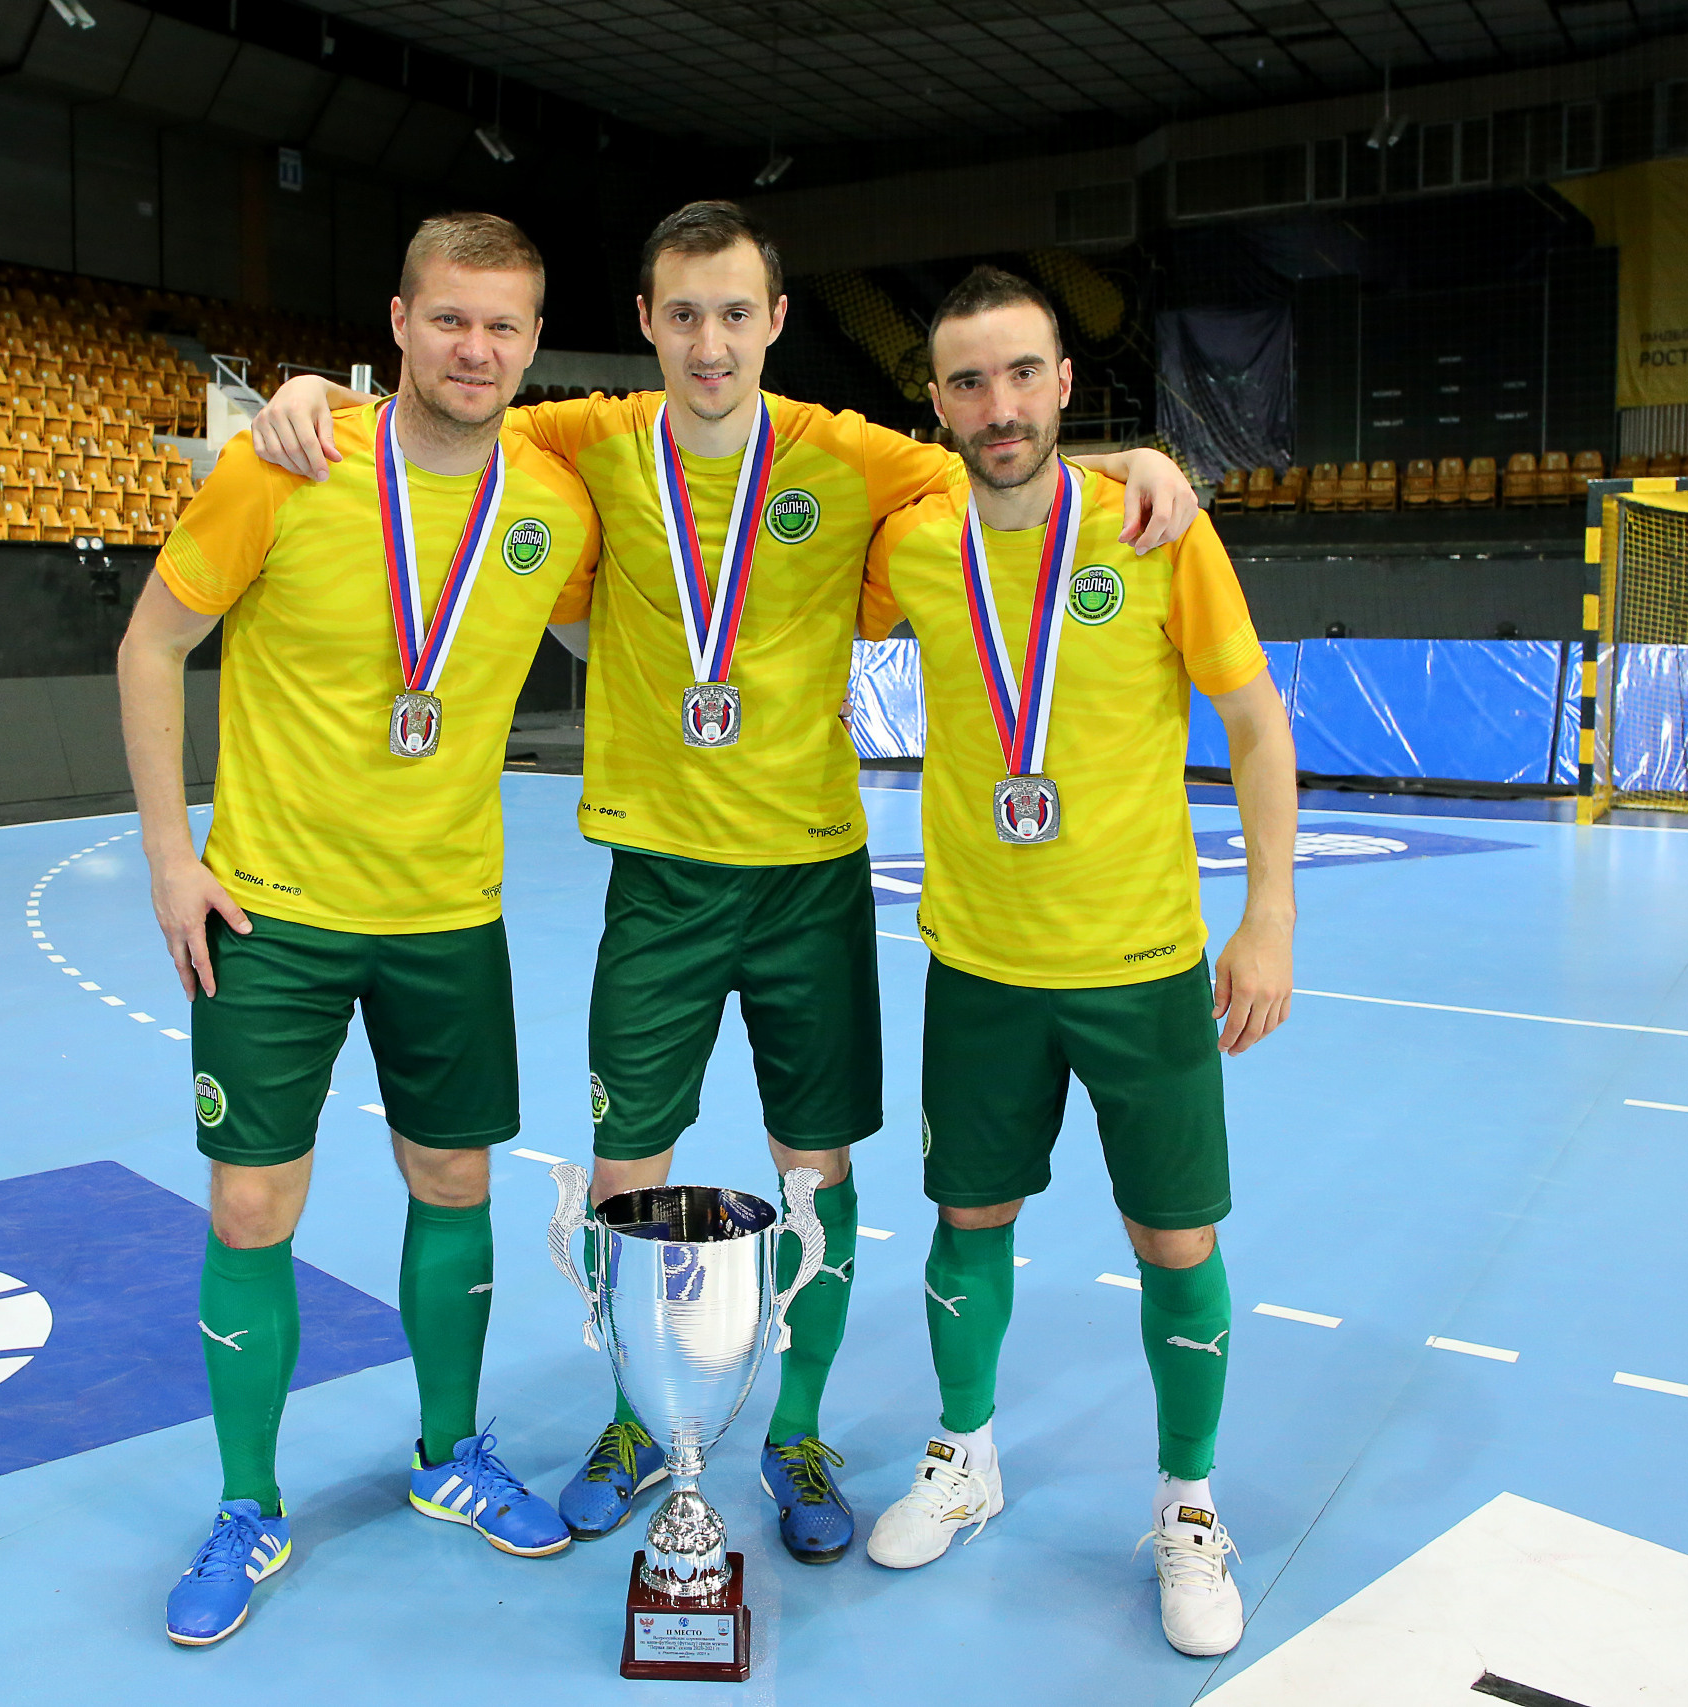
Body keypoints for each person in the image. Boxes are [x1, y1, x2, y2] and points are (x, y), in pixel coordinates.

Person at [242, 202, 1201, 1568]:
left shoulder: (849, 454)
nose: (709, 342)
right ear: (645, 325)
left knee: (819, 1168)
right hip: (662, 875)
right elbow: (437, 421)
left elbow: (1005, 460)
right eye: (682, 314)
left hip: (810, 876)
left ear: (777, 322)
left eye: (735, 313)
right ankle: (646, 1417)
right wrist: (302, 400)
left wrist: (1134, 462)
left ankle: (796, 1426)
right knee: (630, 1166)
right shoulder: (587, 440)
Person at [116, 212, 601, 1648]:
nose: (478, 349)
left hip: (450, 911)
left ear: (533, 340)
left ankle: (449, 1457)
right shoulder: (293, 461)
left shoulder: (554, 509)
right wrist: (167, 857)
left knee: (453, 1181)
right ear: (397, 320)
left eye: (506, 325)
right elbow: (153, 641)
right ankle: (247, 1504)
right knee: (252, 1205)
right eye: (452, 319)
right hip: (273, 904)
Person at [853, 266, 1295, 1661]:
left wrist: (1270, 913)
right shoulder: (912, 542)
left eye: (1023, 374)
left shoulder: (1156, 527)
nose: (1000, 406)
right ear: (936, 402)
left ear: (1063, 382)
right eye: (969, 381)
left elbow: (1256, 718)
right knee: (968, 1221)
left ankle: (1185, 1505)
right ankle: (965, 1456)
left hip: (1143, 961)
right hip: (979, 964)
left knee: (1175, 1238)